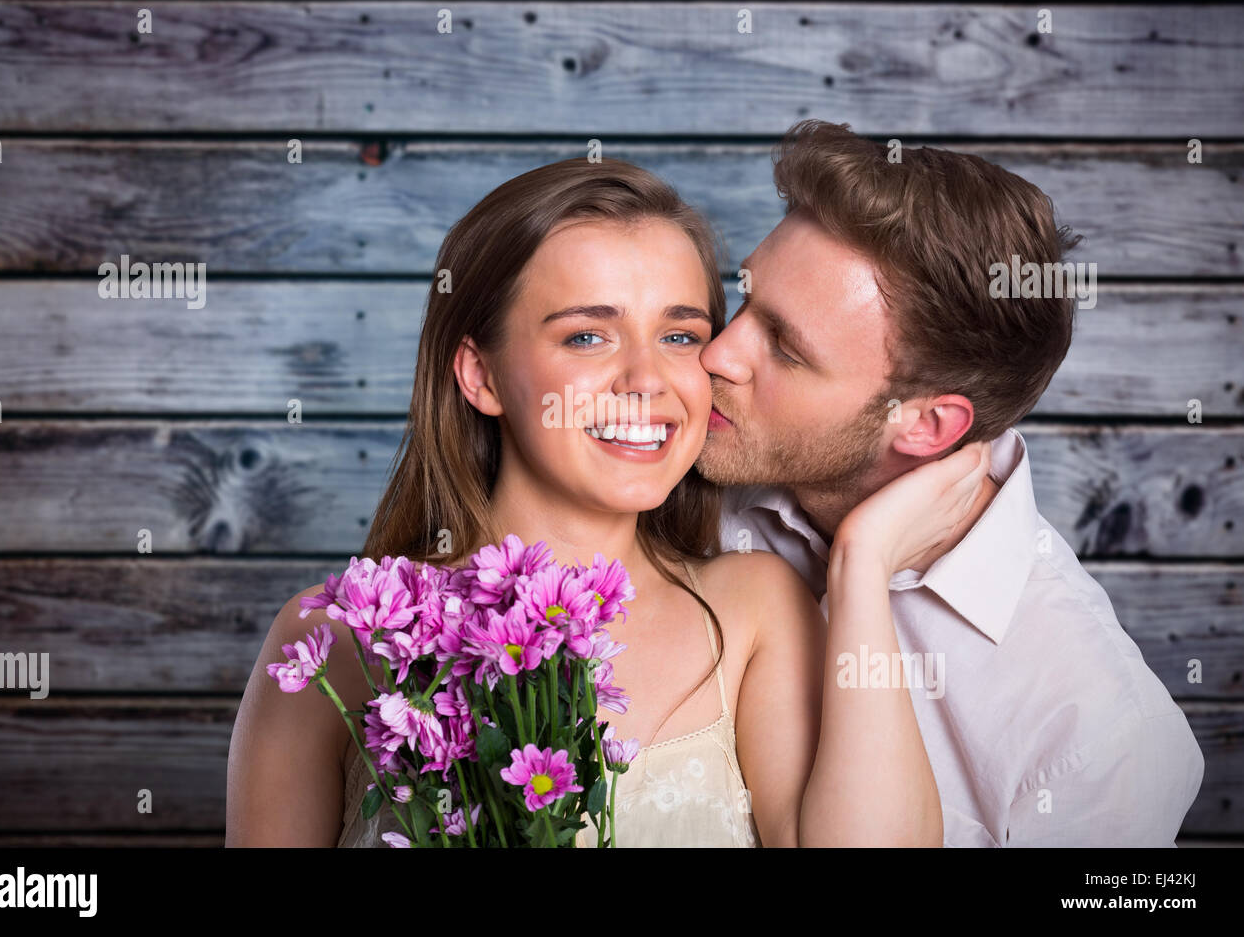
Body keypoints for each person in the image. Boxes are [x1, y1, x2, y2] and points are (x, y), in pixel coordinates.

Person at [226, 155, 992, 847]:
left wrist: (861, 563)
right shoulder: (333, 644)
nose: (646, 382)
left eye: (682, 336)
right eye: (588, 337)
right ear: (480, 376)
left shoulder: (755, 611)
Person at [699, 120, 1205, 846]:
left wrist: (859, 563)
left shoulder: (1103, 736)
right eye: (744, 302)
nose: (717, 355)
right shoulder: (687, 475)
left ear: (928, 426)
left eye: (784, 347)